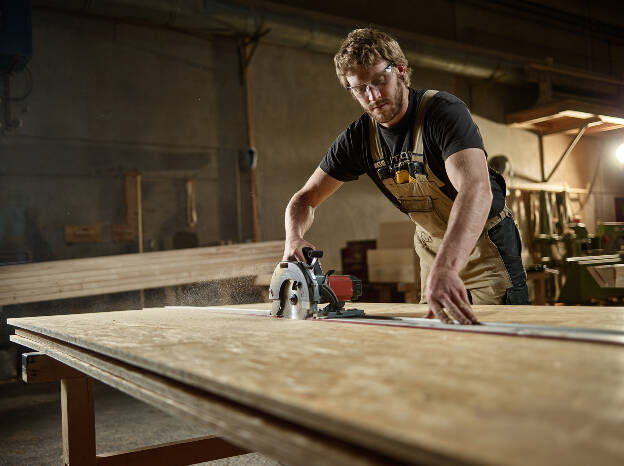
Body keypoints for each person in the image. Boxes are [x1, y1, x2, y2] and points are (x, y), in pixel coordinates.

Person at [282, 28, 529, 324]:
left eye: (378, 81)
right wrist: (293, 239)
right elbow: (304, 199)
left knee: (497, 337)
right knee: (436, 334)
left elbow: (476, 190)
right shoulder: (359, 139)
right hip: (432, 247)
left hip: (484, 244)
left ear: (399, 70)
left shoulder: (443, 113)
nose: (372, 96)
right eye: (360, 89)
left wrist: (448, 267)